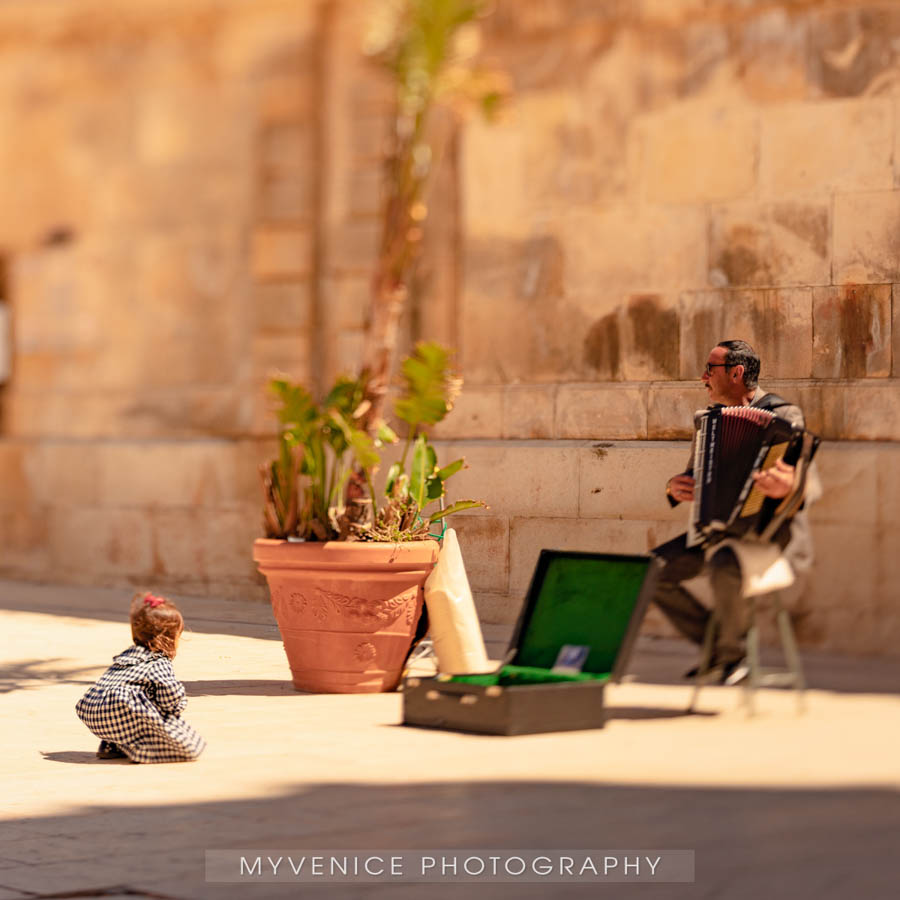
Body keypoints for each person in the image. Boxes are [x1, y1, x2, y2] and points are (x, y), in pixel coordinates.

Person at [652, 340, 816, 684]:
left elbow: (805, 481)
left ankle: (733, 653)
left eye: (710, 370)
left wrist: (787, 485)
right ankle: (715, 644)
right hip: (717, 531)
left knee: (725, 564)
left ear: (736, 373)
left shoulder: (785, 416)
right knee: (651, 571)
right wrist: (675, 487)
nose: (703, 378)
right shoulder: (709, 422)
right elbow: (691, 477)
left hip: (768, 535)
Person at [76, 592, 206, 763]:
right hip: (120, 712)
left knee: (132, 704)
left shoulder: (127, 654)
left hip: (92, 712)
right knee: (189, 745)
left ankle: (111, 743)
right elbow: (170, 697)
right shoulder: (158, 661)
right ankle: (142, 750)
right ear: (168, 638)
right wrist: (175, 709)